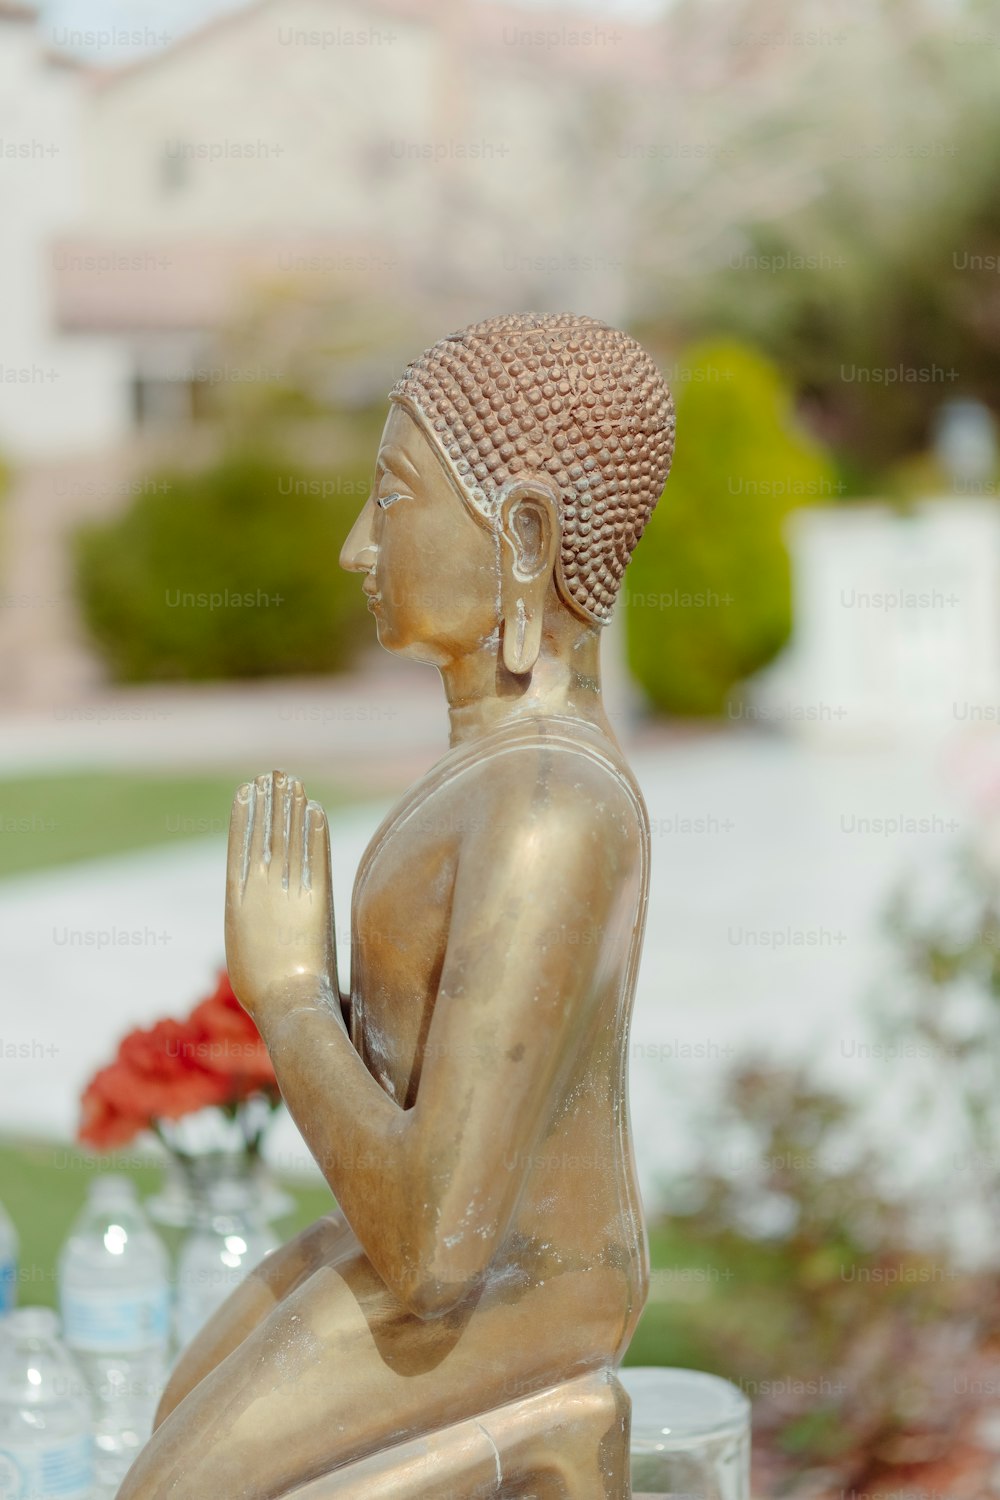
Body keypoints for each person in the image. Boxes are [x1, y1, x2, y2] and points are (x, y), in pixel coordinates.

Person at [118, 313, 674, 1498]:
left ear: (522, 533)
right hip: (461, 1260)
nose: (354, 547)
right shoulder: (501, 779)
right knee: (173, 1422)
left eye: (392, 496)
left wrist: (286, 996)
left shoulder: (546, 806)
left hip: (522, 1283)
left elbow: (434, 1249)